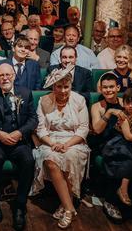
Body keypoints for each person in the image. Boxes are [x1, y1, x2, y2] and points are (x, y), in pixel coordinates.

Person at [0, 63, 37, 230]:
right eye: (1, 75)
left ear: (14, 76)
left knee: (28, 160)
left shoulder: (25, 92)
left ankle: (19, 205)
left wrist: (19, 133)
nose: (5, 78)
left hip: (19, 141)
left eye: (8, 75)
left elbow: (33, 119)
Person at [32, 65, 90, 229]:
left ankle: (65, 206)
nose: (63, 90)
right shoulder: (43, 101)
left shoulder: (79, 100)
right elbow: (41, 129)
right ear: (53, 86)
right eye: (59, 86)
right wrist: (52, 143)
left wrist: (67, 144)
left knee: (70, 157)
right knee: (51, 160)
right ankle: (70, 208)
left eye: (66, 86)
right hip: (51, 140)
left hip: (74, 140)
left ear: (71, 85)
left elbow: (84, 128)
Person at [88, 72, 125, 222]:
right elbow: (97, 129)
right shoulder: (97, 106)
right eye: (105, 88)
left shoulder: (125, 102)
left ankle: (131, 195)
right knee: (118, 155)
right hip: (104, 142)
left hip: (124, 140)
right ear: (101, 89)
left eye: (111, 87)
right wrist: (109, 112)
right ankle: (110, 200)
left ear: (118, 87)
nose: (108, 90)